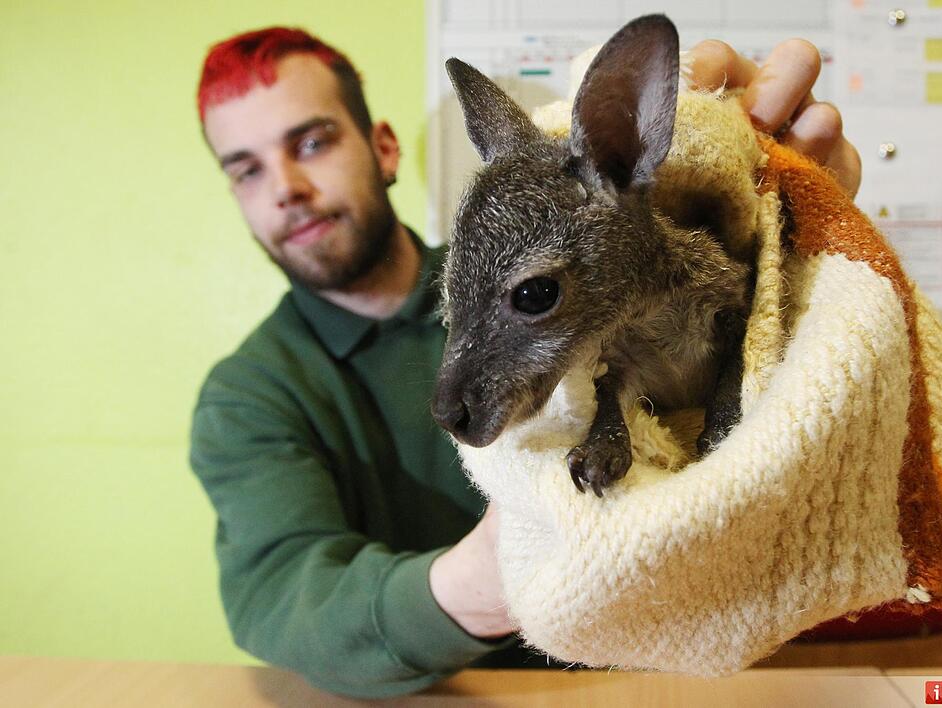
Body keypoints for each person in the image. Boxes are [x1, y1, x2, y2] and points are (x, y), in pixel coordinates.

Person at [189, 26, 861, 699]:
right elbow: (284, 600)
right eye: (246, 168)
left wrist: (794, 234)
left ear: (384, 147)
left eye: (312, 142)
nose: (287, 187)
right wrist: (519, 563)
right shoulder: (251, 393)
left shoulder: (561, 257)